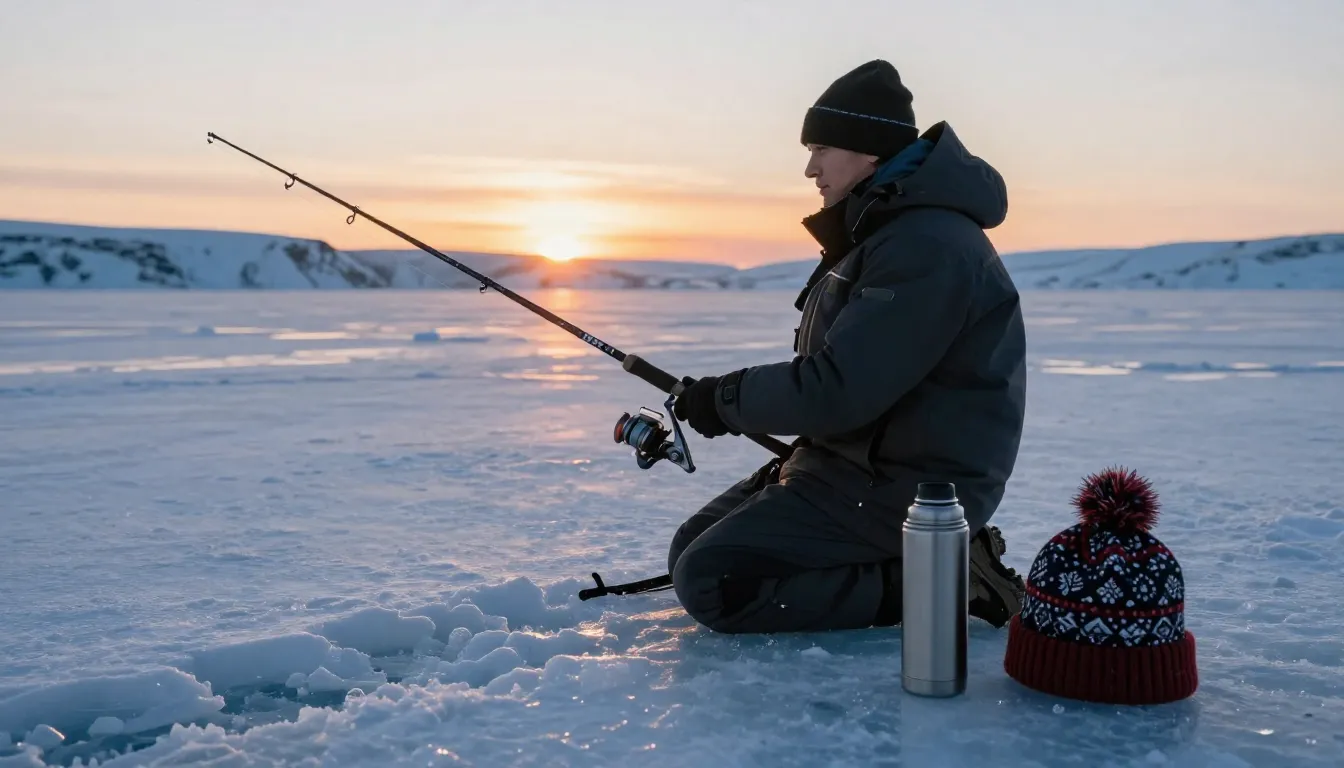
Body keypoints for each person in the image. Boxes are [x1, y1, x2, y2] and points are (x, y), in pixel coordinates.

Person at [668, 59, 1027, 634]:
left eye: (821, 149)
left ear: (869, 151)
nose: (810, 168)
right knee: (690, 548)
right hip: (853, 461)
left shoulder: (926, 246)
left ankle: (948, 576)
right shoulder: (882, 231)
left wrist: (726, 399)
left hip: (911, 485)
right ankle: (903, 562)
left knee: (715, 581)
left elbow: (838, 388)